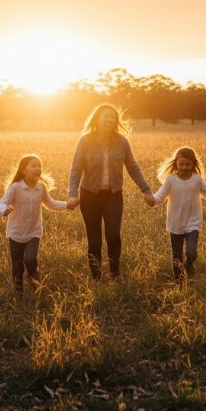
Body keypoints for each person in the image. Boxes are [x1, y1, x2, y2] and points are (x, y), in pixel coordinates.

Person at [67, 104, 155, 280]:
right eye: (105, 116)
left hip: (113, 195)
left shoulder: (121, 141)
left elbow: (132, 166)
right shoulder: (86, 141)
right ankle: (96, 276)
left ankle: (115, 273)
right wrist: (72, 193)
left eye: (112, 117)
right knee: (94, 239)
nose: (109, 119)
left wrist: (146, 190)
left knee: (113, 235)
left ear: (116, 120)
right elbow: (76, 169)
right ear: (97, 119)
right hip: (89, 195)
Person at [147, 146, 206, 282]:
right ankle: (179, 280)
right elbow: (159, 196)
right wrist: (152, 200)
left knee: (191, 252)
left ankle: (190, 263)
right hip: (175, 224)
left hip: (192, 223)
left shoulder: (197, 180)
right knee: (176, 256)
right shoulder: (170, 180)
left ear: (193, 164)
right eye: (181, 164)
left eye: (188, 164)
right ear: (176, 163)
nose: (184, 167)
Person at [0, 155, 69, 292]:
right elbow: (1, 203)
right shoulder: (15, 188)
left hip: (33, 232)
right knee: (17, 266)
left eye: (39, 166)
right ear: (23, 170)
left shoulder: (41, 188)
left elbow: (50, 204)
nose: (38, 168)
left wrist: (68, 205)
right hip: (15, 233)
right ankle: (19, 293)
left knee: (30, 259)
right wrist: (3, 210)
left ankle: (35, 286)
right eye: (33, 165)